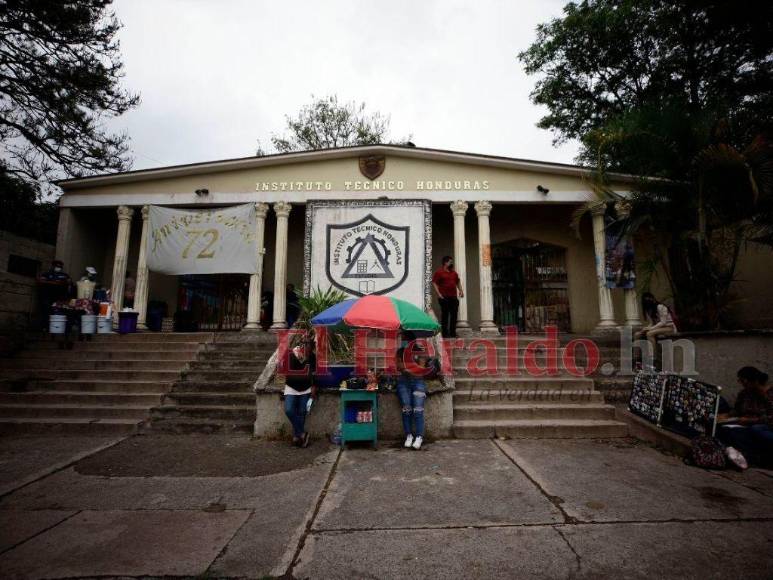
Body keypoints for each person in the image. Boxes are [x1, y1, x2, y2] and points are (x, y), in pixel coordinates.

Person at [717, 366, 773, 467]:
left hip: (764, 426)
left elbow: (770, 418)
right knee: (725, 430)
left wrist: (750, 420)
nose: (743, 384)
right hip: (744, 424)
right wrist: (724, 416)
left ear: (754, 381)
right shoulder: (745, 394)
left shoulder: (768, 394)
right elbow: (737, 411)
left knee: (756, 429)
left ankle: (757, 458)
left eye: (744, 381)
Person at [283, 340, 317, 447]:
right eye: (306, 350)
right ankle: (302, 433)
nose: (308, 352)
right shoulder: (291, 354)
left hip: (305, 388)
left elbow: (313, 372)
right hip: (291, 387)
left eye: (310, 350)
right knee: (289, 410)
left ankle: (297, 437)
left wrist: (314, 386)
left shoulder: (312, 356)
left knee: (302, 411)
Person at [395, 347, 429, 450]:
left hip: (418, 383)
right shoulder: (401, 351)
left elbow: (421, 370)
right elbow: (398, 366)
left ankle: (419, 437)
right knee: (406, 409)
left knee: (418, 410)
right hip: (403, 383)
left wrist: (407, 368)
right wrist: (412, 368)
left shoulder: (421, 352)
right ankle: (409, 436)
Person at [432, 256, 464, 338]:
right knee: (445, 315)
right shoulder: (439, 272)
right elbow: (434, 283)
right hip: (444, 297)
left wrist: (461, 290)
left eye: (451, 262)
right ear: (445, 263)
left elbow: (458, 282)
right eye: (450, 262)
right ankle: (445, 334)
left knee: (454, 315)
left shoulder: (454, 273)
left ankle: (453, 333)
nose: (451, 263)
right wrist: (439, 294)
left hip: (453, 297)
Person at [37, 259, 72, 329]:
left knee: (60, 312)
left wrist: (62, 283)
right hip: (47, 297)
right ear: (53, 266)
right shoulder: (47, 274)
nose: (58, 268)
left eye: (60, 267)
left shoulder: (64, 275)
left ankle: (59, 328)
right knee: (46, 311)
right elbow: (40, 281)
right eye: (57, 266)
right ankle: (45, 327)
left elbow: (69, 282)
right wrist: (54, 283)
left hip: (60, 298)